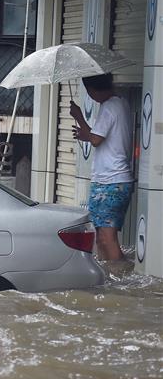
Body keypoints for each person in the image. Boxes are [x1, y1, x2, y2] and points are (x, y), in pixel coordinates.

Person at [68, 72, 133, 262]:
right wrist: (86, 134)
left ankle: (119, 279)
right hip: (110, 181)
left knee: (106, 238)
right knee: (101, 238)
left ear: (91, 90)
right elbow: (97, 137)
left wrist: (79, 116)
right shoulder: (121, 103)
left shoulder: (109, 106)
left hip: (111, 182)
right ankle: (108, 276)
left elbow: (95, 139)